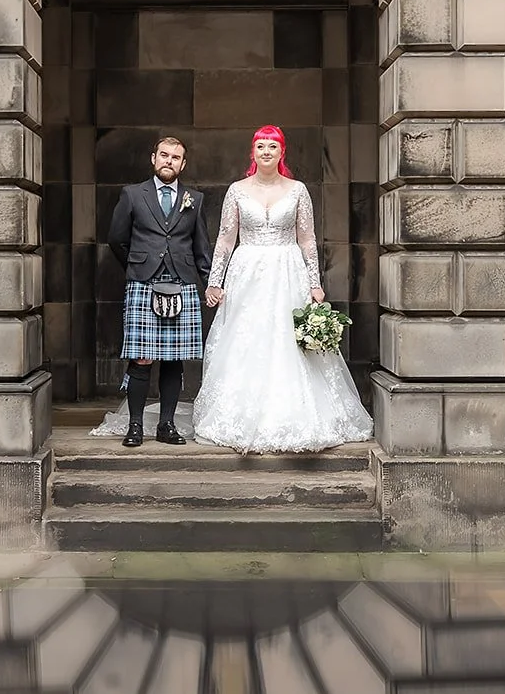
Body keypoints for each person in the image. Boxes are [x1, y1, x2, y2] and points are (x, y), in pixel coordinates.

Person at [191, 125, 373, 452]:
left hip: (288, 270)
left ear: (281, 152)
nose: (266, 151)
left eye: (272, 146)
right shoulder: (237, 190)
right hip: (247, 271)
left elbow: (307, 239)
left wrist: (315, 283)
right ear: (253, 152)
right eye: (260, 146)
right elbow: (225, 239)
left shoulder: (297, 190)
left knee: (288, 339)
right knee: (247, 338)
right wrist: (215, 281)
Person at [104, 136, 213, 447]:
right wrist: (138, 266)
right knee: (142, 357)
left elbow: (201, 246)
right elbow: (116, 238)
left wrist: (210, 282)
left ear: (183, 164)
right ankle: (135, 426)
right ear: (153, 158)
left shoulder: (194, 199)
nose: (169, 161)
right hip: (143, 282)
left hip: (182, 282)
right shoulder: (132, 194)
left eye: (175, 157)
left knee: (174, 358)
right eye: (164, 155)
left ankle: (167, 425)